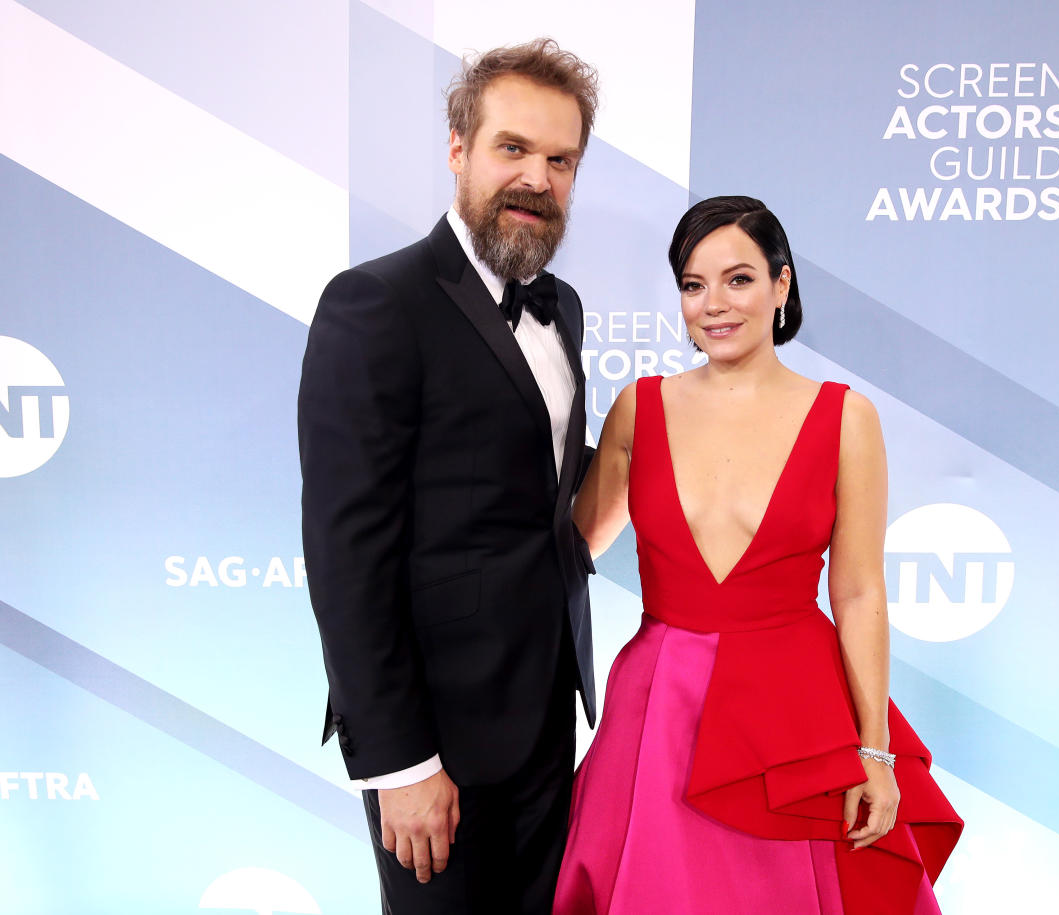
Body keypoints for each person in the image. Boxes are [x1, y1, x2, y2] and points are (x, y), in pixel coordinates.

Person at [554, 196, 963, 914]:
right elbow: (572, 545)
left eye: (738, 279)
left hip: (794, 709)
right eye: (692, 283)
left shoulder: (845, 418)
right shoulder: (637, 408)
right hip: (658, 710)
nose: (714, 303)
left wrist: (875, 752)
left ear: (782, 285)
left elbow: (860, 592)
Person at [298, 39, 599, 914]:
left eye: (560, 159)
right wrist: (400, 763)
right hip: (436, 744)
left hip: (548, 713)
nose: (537, 178)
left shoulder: (563, 308)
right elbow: (347, 553)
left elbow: (541, 488)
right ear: (460, 151)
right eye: (513, 148)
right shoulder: (377, 304)